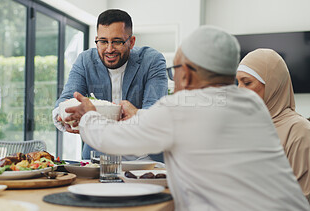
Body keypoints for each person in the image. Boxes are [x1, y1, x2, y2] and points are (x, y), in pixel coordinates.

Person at [64, 26, 309, 210]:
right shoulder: (252, 105)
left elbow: (111, 139)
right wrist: (140, 116)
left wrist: (89, 116)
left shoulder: (182, 107)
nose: (174, 80)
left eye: (175, 71)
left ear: (188, 75)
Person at [52, 9, 168, 161]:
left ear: (131, 42)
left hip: (144, 159)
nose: (109, 49)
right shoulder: (85, 61)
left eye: (117, 41)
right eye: (103, 41)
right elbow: (66, 99)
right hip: (98, 159)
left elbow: (154, 113)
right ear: (97, 40)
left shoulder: (151, 60)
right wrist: (64, 115)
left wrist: (134, 115)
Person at [236, 48, 310, 198]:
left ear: (272, 85)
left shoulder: (298, 131)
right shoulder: (245, 127)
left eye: (247, 83)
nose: (239, 90)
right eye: (237, 83)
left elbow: (300, 198)